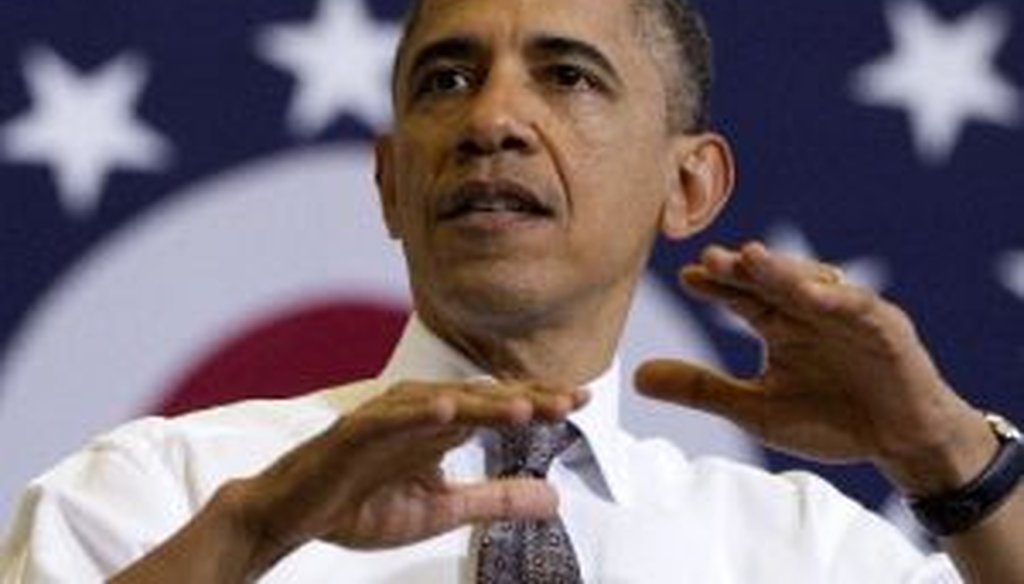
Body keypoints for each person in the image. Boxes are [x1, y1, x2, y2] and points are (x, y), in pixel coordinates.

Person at [2, 0, 1021, 581]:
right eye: (444, 80)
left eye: (567, 76)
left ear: (688, 183)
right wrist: (256, 534)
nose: (491, 120)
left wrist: (952, 460)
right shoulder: (156, 494)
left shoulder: (812, 556)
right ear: (392, 182)